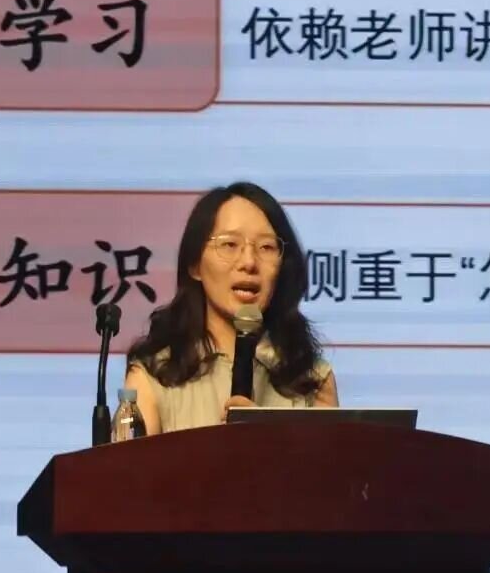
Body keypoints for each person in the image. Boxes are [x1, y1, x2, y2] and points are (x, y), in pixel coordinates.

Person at [124, 182, 337, 434]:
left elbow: (330, 461)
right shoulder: (153, 377)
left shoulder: (312, 379)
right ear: (194, 264)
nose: (249, 262)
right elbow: (130, 461)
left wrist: (268, 442)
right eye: (229, 245)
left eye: (266, 247)